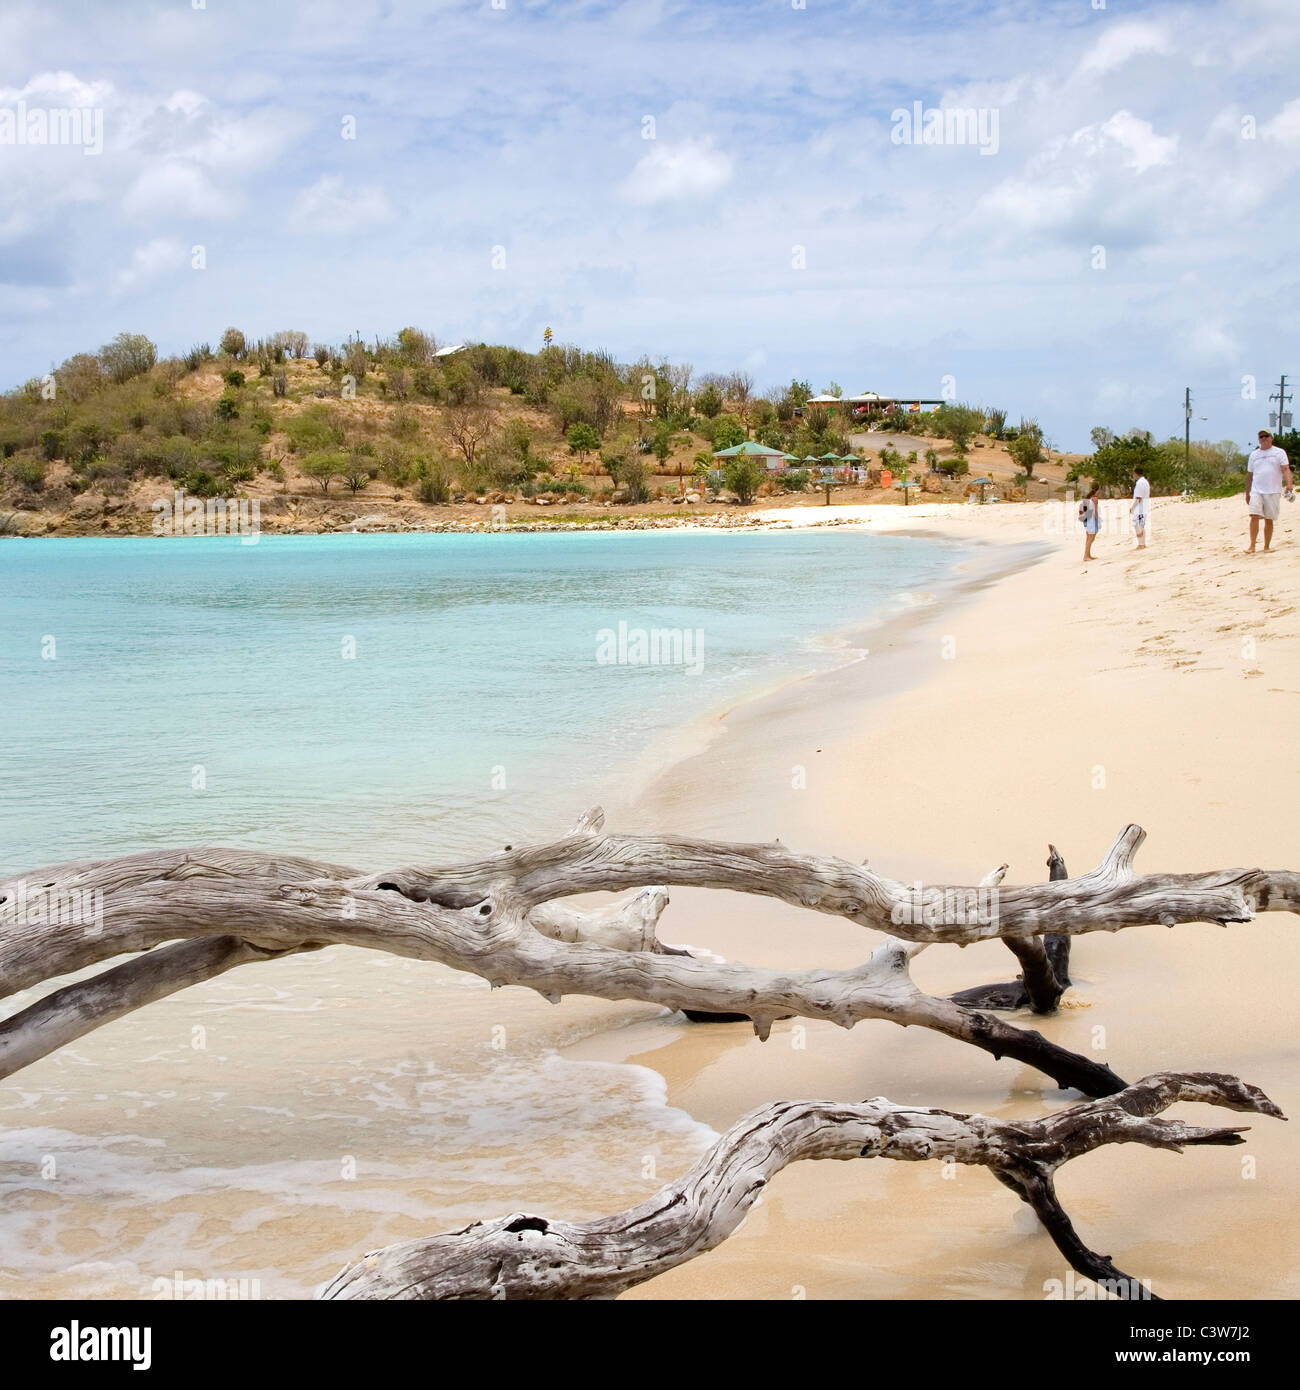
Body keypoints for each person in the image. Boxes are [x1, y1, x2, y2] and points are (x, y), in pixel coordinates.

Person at [1245, 429, 1293, 553]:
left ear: (1271, 438)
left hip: (1273, 490)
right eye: (1261, 437)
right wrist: (1247, 493)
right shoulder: (1254, 455)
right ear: (1259, 439)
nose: (1264, 438)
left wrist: (1289, 484)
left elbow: (1286, 469)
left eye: (1266, 436)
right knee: (1254, 516)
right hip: (1256, 490)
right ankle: (1252, 545)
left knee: (1268, 518)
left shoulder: (1279, 452)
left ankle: (1266, 546)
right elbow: (1249, 475)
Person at [1079, 484, 1101, 560]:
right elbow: (1095, 511)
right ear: (1097, 491)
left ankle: (1088, 555)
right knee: (1091, 539)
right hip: (1092, 520)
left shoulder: (1087, 499)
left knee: (1089, 538)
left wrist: (1083, 520)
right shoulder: (1094, 499)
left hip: (1087, 519)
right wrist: (1098, 521)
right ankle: (1086, 556)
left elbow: (1081, 509)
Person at [1131, 466, 1150, 548]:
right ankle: (1143, 543)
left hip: (1140, 507)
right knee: (1141, 524)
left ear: (1136, 474)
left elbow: (1138, 497)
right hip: (1144, 506)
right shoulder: (1145, 482)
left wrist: (1132, 507)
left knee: (1137, 525)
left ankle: (1141, 544)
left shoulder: (1139, 483)